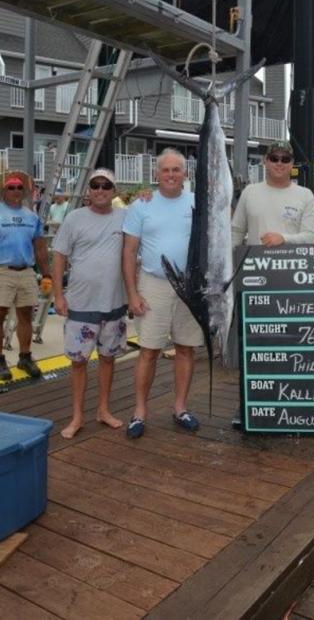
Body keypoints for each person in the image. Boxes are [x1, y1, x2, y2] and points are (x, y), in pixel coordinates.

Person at [122, 148, 203, 439]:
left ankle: (180, 407)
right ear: (157, 174)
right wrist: (132, 294)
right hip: (152, 284)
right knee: (149, 351)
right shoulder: (141, 205)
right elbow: (129, 252)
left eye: (176, 170)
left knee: (185, 348)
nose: (171, 175)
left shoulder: (197, 203)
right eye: (166, 170)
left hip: (189, 286)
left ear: (185, 174)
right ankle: (139, 411)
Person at [52, 168, 127, 439]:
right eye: (95, 185)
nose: (99, 190)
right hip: (80, 304)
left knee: (108, 359)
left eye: (106, 185)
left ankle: (103, 410)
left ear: (113, 191)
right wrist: (58, 296)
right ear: (88, 190)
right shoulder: (74, 218)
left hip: (115, 303)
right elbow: (59, 257)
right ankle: (77, 416)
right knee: (78, 362)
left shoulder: (125, 216)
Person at [0, 171, 52, 381]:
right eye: (11, 187)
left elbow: (40, 248)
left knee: (26, 315)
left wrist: (46, 275)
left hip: (26, 271)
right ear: (3, 191)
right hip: (1, 272)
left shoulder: (31, 216)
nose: (16, 191)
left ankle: (25, 357)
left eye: (19, 187)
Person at [232, 141, 314, 247]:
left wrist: (283, 238)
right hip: (255, 262)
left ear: (292, 163)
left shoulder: (306, 195)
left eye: (285, 159)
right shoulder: (249, 192)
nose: (279, 163)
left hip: (290, 262)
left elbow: (310, 237)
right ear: (265, 161)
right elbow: (236, 232)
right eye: (274, 158)